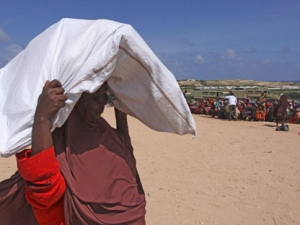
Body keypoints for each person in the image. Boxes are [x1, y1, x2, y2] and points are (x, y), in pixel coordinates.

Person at [0, 80, 146, 224]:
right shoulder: (64, 144)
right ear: (77, 100)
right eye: (96, 95)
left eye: (106, 95)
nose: (104, 100)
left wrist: (121, 115)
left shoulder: (105, 133)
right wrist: (42, 119)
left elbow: (127, 155)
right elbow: (44, 189)